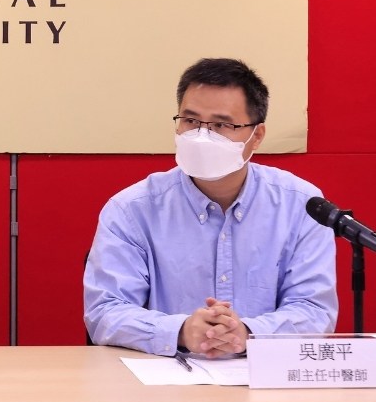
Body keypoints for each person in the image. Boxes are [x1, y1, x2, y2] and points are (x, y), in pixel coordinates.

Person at [84, 58, 336, 357]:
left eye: (221, 125)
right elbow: (105, 311)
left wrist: (248, 333)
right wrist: (180, 331)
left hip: (267, 375)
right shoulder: (131, 210)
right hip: (163, 377)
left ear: (256, 136)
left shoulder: (301, 205)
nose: (202, 137)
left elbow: (314, 309)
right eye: (190, 121)